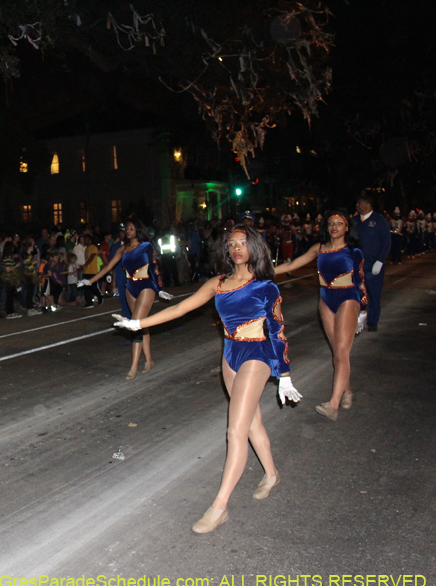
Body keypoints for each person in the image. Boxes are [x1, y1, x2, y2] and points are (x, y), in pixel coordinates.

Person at [112, 225, 301, 533]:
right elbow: (181, 307)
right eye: (231, 244)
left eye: (242, 243)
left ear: (255, 247)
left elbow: (277, 331)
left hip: (257, 354)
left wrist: (285, 374)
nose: (236, 248)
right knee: (252, 423)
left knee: (235, 430)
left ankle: (219, 507)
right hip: (230, 353)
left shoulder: (266, 286)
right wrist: (138, 323)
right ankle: (271, 474)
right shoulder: (219, 282)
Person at [276, 210, 366, 421]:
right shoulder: (318, 249)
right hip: (326, 300)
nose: (334, 226)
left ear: (346, 228)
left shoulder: (353, 251)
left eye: (339, 223)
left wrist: (362, 310)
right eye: (331, 223)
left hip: (348, 298)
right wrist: (260, 272)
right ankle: (347, 391)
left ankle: (333, 406)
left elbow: (361, 281)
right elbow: (290, 265)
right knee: (337, 352)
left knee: (342, 351)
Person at [81, 220, 173, 379]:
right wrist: (89, 281)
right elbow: (108, 267)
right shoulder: (122, 249)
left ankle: (133, 367)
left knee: (135, 325)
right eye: (127, 229)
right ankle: (149, 360)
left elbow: (154, 268)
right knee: (140, 323)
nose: (128, 231)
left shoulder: (146, 246)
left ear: (138, 230)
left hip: (146, 286)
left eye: (132, 228)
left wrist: (160, 289)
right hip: (130, 287)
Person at [352, 196, 391, 332]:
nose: (357, 205)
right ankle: (355, 321)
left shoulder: (379, 221)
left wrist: (380, 261)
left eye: (360, 203)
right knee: (356, 294)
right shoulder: (354, 221)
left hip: (373, 265)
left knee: (373, 294)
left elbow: (386, 242)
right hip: (356, 264)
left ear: (368, 204)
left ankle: (372, 321)